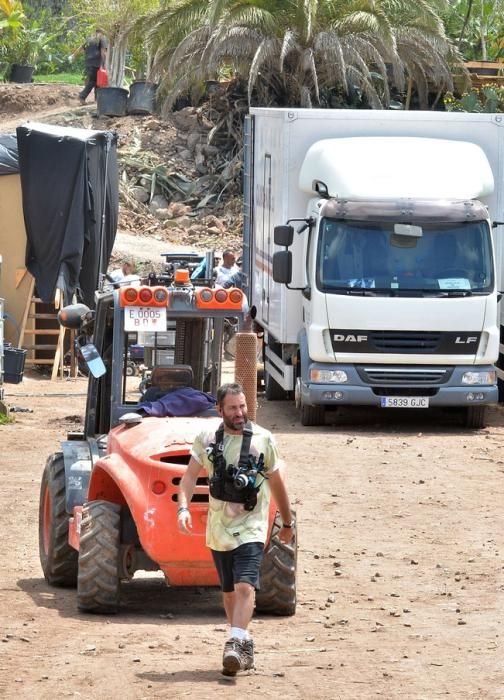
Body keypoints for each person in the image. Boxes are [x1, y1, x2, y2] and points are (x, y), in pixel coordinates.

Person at [177, 383, 294, 675]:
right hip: (219, 528)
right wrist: (183, 507)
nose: (240, 412)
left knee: (245, 585)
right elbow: (189, 478)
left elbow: (278, 483)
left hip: (252, 525)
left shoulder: (264, 440)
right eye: (232, 408)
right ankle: (243, 642)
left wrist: (287, 522)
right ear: (220, 410)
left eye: (243, 406)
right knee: (229, 591)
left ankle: (234, 642)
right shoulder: (205, 439)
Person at [69, 27, 108, 105]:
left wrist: (73, 56)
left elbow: (80, 48)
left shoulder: (89, 39)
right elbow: (103, 52)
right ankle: (82, 96)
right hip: (96, 62)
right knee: (93, 81)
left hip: (88, 62)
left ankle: (97, 99)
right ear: (101, 32)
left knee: (97, 81)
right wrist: (104, 63)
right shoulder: (102, 38)